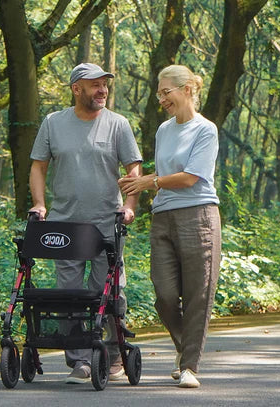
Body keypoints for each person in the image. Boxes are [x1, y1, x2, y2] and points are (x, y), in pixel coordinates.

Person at [29, 63, 143, 384]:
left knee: (108, 293)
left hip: (107, 225)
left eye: (105, 84)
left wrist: (130, 206)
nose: (102, 90)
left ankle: (112, 354)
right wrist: (40, 203)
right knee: (68, 294)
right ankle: (79, 359)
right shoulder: (53, 123)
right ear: (76, 89)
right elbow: (38, 167)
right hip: (64, 228)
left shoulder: (118, 125)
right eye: (95, 85)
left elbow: (133, 169)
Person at [119, 64, 221, 388]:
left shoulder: (206, 130)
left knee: (197, 295)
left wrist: (151, 181)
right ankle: (184, 349)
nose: (161, 98)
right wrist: (142, 185)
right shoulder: (163, 130)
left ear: (187, 89)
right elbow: (161, 178)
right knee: (164, 294)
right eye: (159, 93)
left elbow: (191, 177)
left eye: (166, 92)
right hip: (163, 217)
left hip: (199, 216)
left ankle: (190, 366)